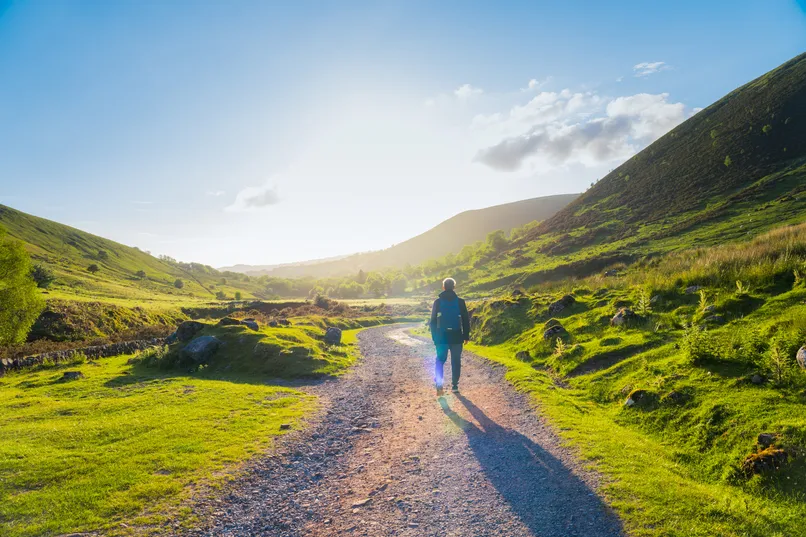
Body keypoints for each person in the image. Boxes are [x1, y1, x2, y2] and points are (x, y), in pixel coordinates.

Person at [429, 277, 470, 396]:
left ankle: (439, 385)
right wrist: (466, 335)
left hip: (441, 337)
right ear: (454, 287)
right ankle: (455, 386)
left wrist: (434, 337)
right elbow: (465, 320)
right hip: (457, 336)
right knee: (456, 361)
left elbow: (432, 321)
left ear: (443, 287)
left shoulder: (437, 302)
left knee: (440, 360)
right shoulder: (460, 302)